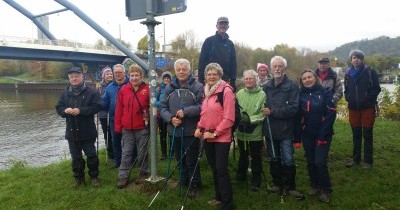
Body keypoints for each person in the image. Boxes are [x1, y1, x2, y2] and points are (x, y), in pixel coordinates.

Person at [262, 56, 305, 200]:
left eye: (280, 66)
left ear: (285, 69)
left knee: (288, 160)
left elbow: (293, 108)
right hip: (270, 129)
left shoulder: (292, 86)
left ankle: (290, 187)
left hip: (286, 129)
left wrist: (273, 111)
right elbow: (262, 105)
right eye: (275, 66)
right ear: (271, 68)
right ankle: (277, 184)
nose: (277, 69)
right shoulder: (266, 86)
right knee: (274, 158)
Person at [160, 59, 204, 197]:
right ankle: (183, 180)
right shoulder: (169, 88)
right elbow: (162, 107)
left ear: (189, 70)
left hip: (191, 130)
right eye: (178, 69)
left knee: (191, 160)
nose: (181, 71)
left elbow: (202, 106)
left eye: (184, 69)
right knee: (179, 159)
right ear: (175, 71)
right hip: (174, 130)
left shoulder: (197, 87)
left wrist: (186, 111)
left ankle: (195, 184)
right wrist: (170, 118)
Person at [194, 63, 235, 209]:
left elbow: (229, 118)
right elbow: (205, 114)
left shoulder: (226, 91)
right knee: (214, 168)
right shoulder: (207, 91)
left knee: (222, 169)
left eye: (214, 74)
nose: (211, 76)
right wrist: (200, 126)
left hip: (221, 137)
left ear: (220, 75)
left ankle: (228, 204)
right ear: (205, 77)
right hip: (208, 135)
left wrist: (215, 133)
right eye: (209, 74)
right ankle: (219, 197)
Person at [55, 66, 102, 187]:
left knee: (91, 155)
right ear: (69, 78)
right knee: (76, 157)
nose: (74, 78)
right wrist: (65, 110)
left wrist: (80, 111)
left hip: (88, 131)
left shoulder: (92, 92)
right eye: (72, 77)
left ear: (82, 77)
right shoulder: (65, 94)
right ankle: (78, 178)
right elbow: (58, 108)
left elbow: (97, 107)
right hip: (71, 132)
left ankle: (94, 177)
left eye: (77, 76)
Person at [297, 69, 336, 203]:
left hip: (323, 133)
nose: (307, 80)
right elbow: (298, 114)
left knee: (320, 162)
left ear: (315, 78)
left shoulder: (325, 92)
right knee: (311, 161)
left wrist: (323, 134)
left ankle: (326, 189)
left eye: (309, 77)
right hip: (307, 133)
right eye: (304, 78)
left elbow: (331, 113)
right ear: (301, 82)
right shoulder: (301, 94)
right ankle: (315, 185)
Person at [114, 65, 150, 188]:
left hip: (142, 128)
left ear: (141, 77)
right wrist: (118, 127)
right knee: (126, 153)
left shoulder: (148, 90)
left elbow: (153, 108)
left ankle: (143, 173)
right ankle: (123, 176)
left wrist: (152, 121)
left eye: (137, 75)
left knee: (142, 152)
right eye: (132, 75)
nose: (134, 78)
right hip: (127, 129)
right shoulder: (123, 90)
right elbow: (119, 110)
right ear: (129, 76)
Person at [344, 50, 381, 169]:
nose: (356, 60)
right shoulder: (348, 73)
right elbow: (347, 89)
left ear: (362, 59)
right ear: (351, 60)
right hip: (353, 108)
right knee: (356, 134)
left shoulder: (370, 72)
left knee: (367, 134)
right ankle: (356, 159)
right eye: (354, 58)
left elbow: (377, 89)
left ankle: (368, 161)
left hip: (367, 108)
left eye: (358, 58)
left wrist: (368, 98)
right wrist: (348, 98)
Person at [235, 70, 266, 191]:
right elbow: (235, 110)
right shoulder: (240, 93)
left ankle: (256, 179)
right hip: (241, 130)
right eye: (246, 79)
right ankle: (241, 175)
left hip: (255, 131)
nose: (248, 81)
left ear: (255, 80)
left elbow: (263, 113)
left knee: (255, 156)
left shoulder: (262, 94)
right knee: (242, 154)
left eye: (251, 79)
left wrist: (251, 120)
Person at [101, 64, 130, 168]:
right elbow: (104, 103)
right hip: (114, 119)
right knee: (116, 141)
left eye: (120, 72)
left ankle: (133, 161)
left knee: (130, 142)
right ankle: (118, 162)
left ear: (124, 73)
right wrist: (97, 105)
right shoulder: (109, 87)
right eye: (115, 73)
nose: (117, 74)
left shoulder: (130, 84)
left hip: (128, 119)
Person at [198, 16, 237, 91]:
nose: (223, 26)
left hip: (225, 81)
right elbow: (202, 62)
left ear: (228, 27)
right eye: (221, 23)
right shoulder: (209, 41)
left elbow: (233, 65)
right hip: (210, 80)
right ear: (217, 26)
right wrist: (201, 80)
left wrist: (232, 82)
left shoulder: (230, 44)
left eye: (225, 24)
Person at [97, 66, 114, 161]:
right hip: (103, 114)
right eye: (107, 74)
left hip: (113, 113)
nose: (109, 75)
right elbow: (97, 99)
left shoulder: (115, 85)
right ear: (104, 76)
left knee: (115, 133)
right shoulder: (100, 87)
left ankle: (116, 151)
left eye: (111, 74)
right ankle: (110, 153)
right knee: (107, 134)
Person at [155, 71, 172, 160]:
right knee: (162, 135)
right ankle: (164, 153)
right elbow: (154, 101)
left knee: (171, 135)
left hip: (171, 115)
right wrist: (163, 104)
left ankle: (171, 153)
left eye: (168, 78)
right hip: (162, 116)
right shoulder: (159, 90)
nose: (166, 79)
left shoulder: (173, 88)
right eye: (165, 78)